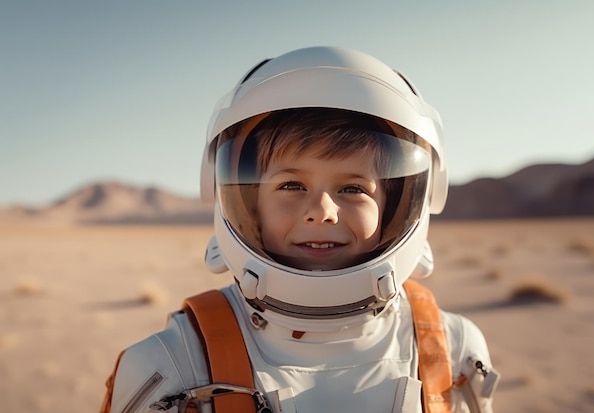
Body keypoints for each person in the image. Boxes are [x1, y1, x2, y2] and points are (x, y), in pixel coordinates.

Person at [100, 46, 499, 413]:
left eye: (353, 188)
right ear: (248, 203)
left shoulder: (452, 348)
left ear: (397, 204)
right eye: (292, 186)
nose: (322, 211)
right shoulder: (172, 364)